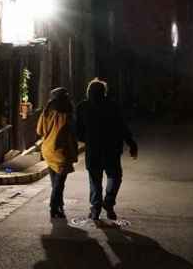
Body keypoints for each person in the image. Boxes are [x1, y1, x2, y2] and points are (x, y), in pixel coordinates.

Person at [76, 78, 137, 221]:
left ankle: (95, 208)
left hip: (93, 151)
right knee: (115, 177)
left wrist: (89, 139)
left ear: (88, 92)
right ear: (104, 92)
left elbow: (78, 131)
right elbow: (122, 127)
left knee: (95, 180)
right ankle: (108, 202)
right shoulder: (113, 106)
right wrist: (131, 143)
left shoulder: (82, 107)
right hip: (112, 149)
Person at [36, 87, 78, 219]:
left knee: (55, 182)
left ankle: (59, 204)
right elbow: (72, 134)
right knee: (59, 183)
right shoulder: (67, 115)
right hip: (61, 153)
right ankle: (54, 207)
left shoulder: (46, 111)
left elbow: (39, 131)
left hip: (48, 150)